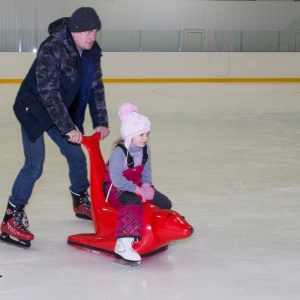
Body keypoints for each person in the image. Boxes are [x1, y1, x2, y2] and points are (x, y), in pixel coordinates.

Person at [0, 7, 110, 248]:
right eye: (86, 32)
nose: (91, 36)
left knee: (77, 156)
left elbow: (95, 88)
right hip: (34, 109)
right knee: (34, 165)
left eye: (94, 31)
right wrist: (68, 127)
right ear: (74, 31)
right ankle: (11, 217)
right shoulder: (53, 49)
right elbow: (47, 91)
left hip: (60, 109)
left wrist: (101, 120)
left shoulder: (91, 53)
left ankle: (81, 200)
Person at [102, 102, 172, 264]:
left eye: (147, 134)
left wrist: (146, 186)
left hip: (137, 185)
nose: (145, 138)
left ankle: (158, 231)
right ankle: (123, 244)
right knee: (132, 203)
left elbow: (146, 172)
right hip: (115, 187)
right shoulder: (119, 153)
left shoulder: (145, 149)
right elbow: (117, 179)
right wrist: (138, 190)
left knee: (164, 202)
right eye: (141, 135)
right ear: (130, 135)